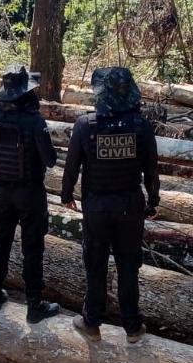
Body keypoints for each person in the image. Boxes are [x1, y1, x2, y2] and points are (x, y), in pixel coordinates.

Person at [60, 67, 160, 343]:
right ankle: (132, 326)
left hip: (97, 207)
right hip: (130, 206)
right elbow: (152, 170)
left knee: (95, 264)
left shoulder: (85, 125)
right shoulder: (141, 127)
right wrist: (153, 201)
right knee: (129, 265)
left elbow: (72, 167)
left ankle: (91, 322)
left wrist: (66, 194)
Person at [0, 64, 61, 324]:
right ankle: (34, 305)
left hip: (1, 193)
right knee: (32, 249)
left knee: (0, 243)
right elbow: (49, 160)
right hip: (30, 194)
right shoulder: (35, 121)